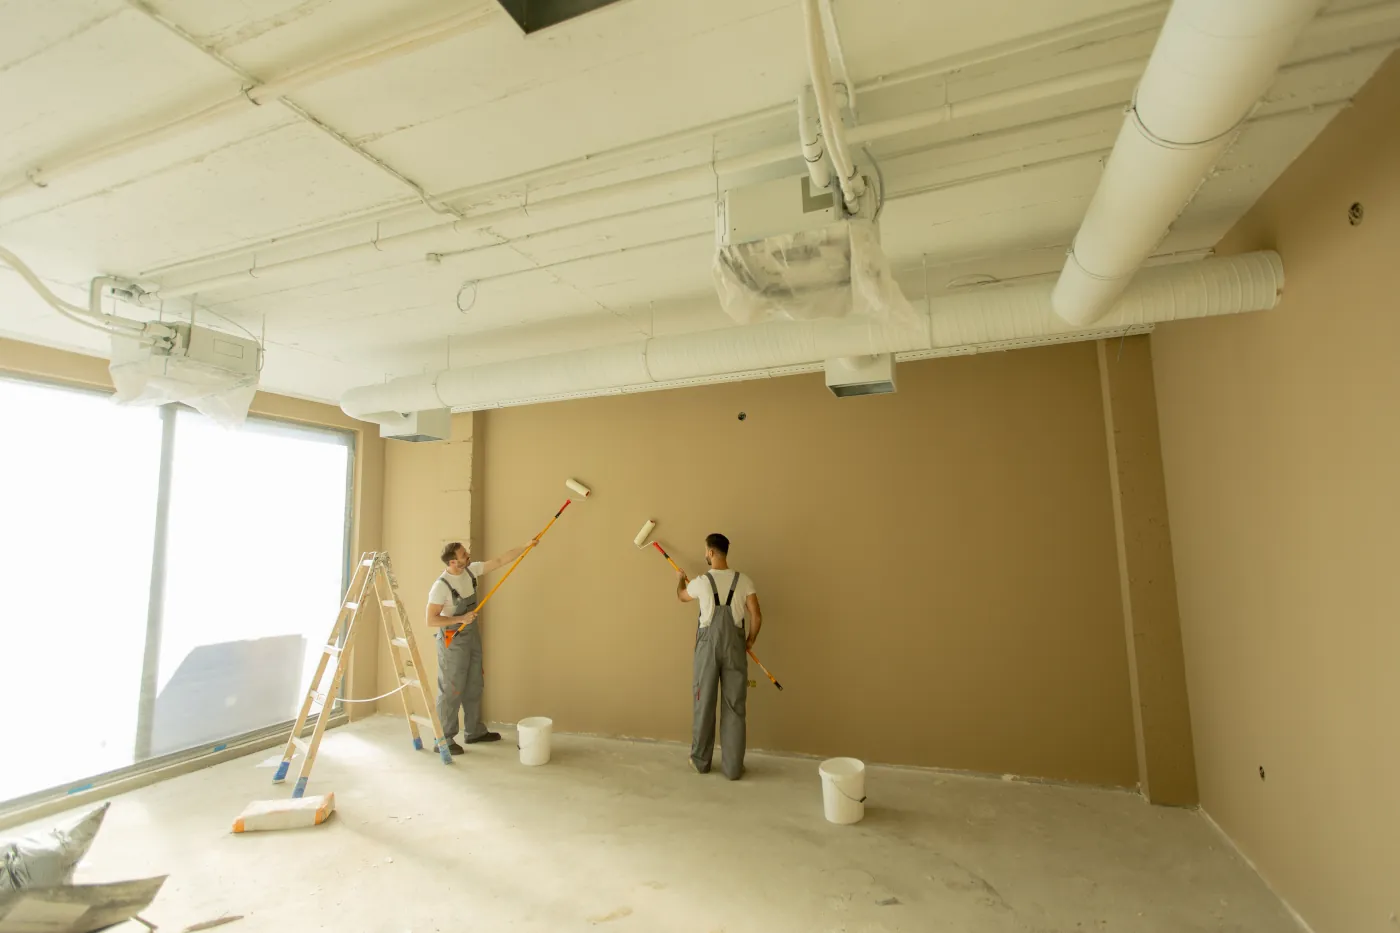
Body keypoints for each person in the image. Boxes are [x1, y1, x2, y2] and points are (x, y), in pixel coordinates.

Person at [427, 538, 538, 754]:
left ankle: (474, 731)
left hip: (471, 635)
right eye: (463, 556)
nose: (468, 557)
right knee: (451, 689)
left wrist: (525, 545)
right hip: (453, 639)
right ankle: (443, 739)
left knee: (475, 683)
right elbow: (431, 620)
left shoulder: (470, 571)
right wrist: (459, 619)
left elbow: (499, 560)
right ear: (452, 562)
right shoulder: (440, 587)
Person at [675, 533, 762, 779]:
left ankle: (701, 762)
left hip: (707, 649)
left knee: (704, 703)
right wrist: (750, 640)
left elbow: (681, 597)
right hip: (734, 647)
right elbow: (756, 615)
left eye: (706, 550)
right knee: (734, 706)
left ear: (711, 552)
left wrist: (680, 580)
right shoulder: (744, 580)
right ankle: (733, 768)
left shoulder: (701, 582)